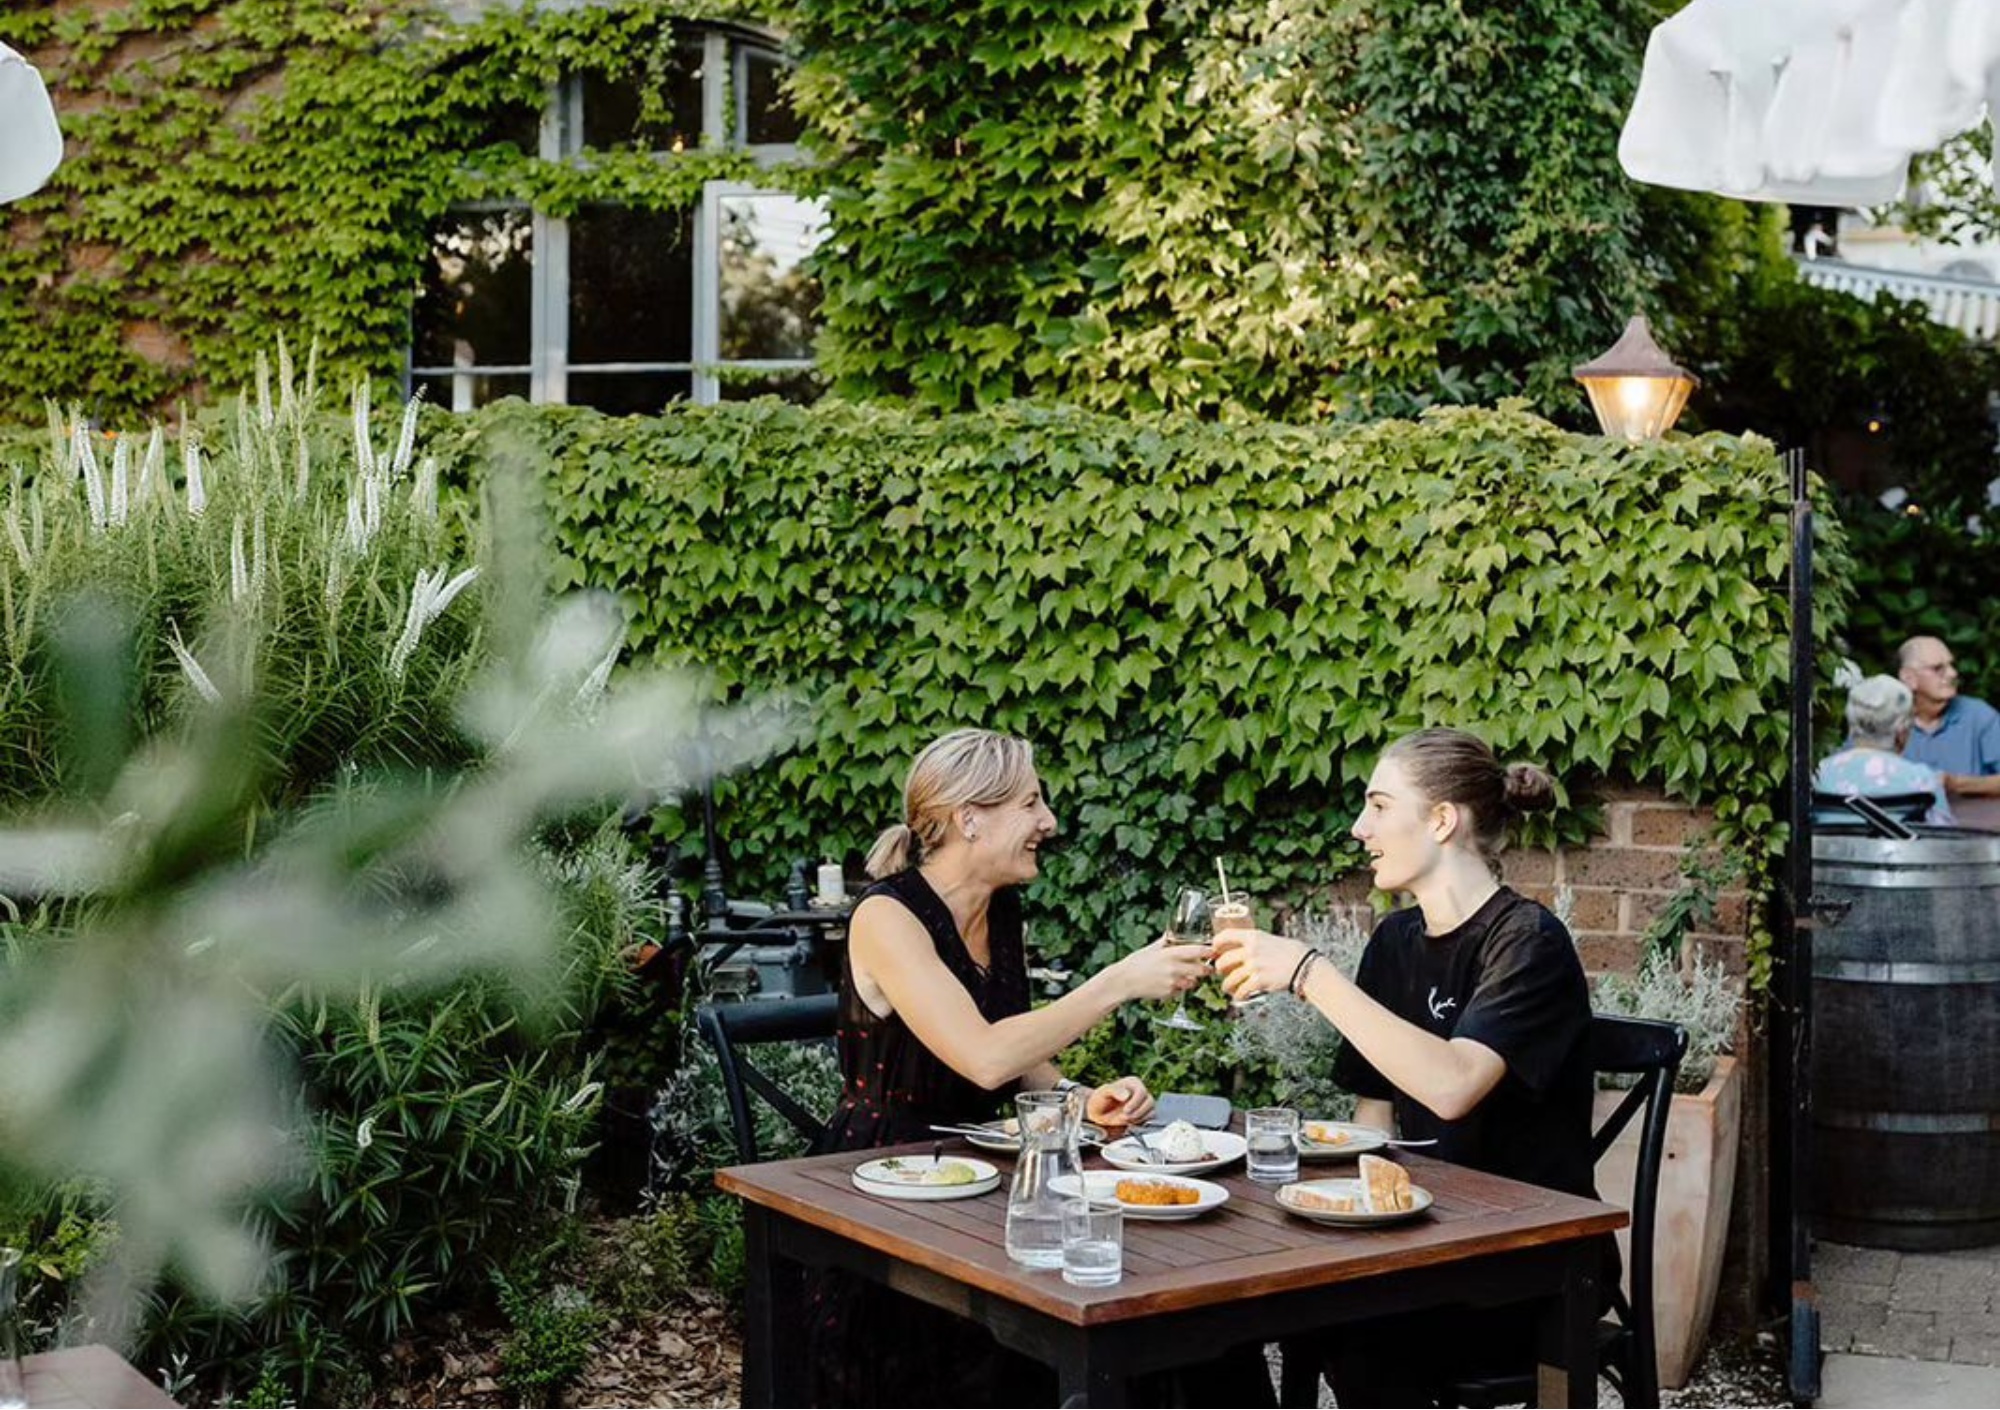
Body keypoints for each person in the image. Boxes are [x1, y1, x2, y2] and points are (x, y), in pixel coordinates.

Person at [809, 727, 1213, 1406]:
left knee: (1145, 1307)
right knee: (1035, 1328)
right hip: (886, 1192)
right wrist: (1117, 982)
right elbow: (984, 1056)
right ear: (969, 818)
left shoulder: (1001, 912)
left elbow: (1013, 1050)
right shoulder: (886, 916)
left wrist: (1078, 1097)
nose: (1048, 822)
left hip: (985, 1178)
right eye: (1031, 803)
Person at [1213, 726, 1606, 1406]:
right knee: (1231, 1311)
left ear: (1442, 820)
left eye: (1379, 806)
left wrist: (1309, 974)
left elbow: (1454, 1086)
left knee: (1362, 1338)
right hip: (1415, 1246)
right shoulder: (1395, 940)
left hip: (1527, 1264)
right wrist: (1344, 1210)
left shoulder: (1528, 942)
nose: (1359, 828)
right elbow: (1374, 1119)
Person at [1814, 671, 1952, 825]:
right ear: (1901, 731)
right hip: (1900, 842)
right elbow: (1943, 835)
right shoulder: (1923, 779)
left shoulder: (1818, 774)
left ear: (1850, 722)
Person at [1898, 636, 2000, 799]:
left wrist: (1956, 784)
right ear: (1909, 678)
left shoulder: (1979, 715)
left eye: (1951, 665)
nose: (1953, 673)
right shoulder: (1888, 719)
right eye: (1937, 668)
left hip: (1971, 815)